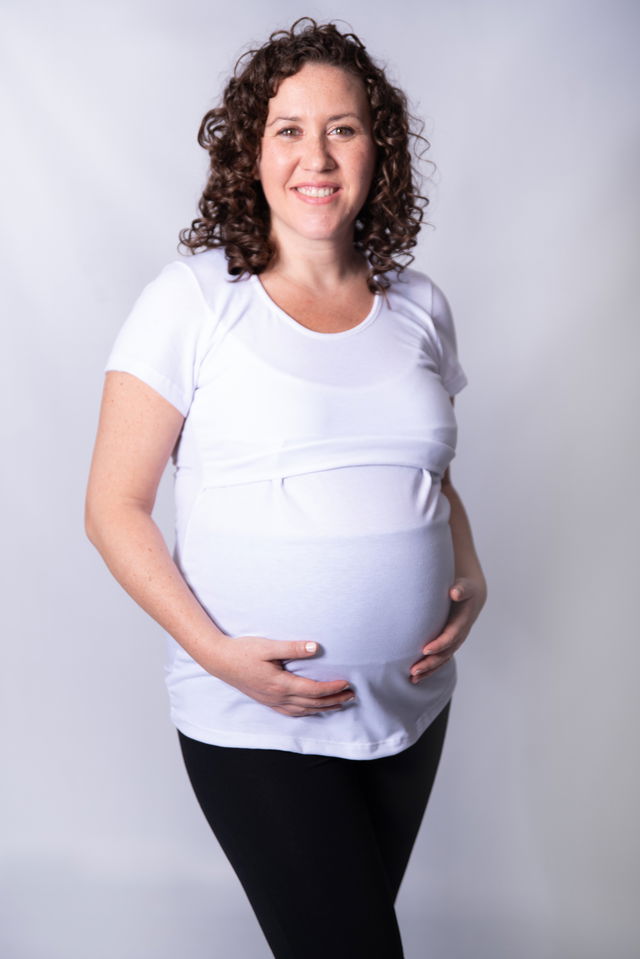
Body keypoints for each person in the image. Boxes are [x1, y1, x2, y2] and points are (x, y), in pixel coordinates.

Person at [85, 16, 487, 959]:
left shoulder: (420, 306)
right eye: (290, 130)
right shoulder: (192, 301)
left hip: (411, 711)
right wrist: (217, 655)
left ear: (378, 149)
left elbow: (429, 472)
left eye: (343, 128)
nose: (318, 156)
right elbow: (112, 507)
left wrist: (471, 574)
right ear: (252, 153)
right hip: (255, 715)